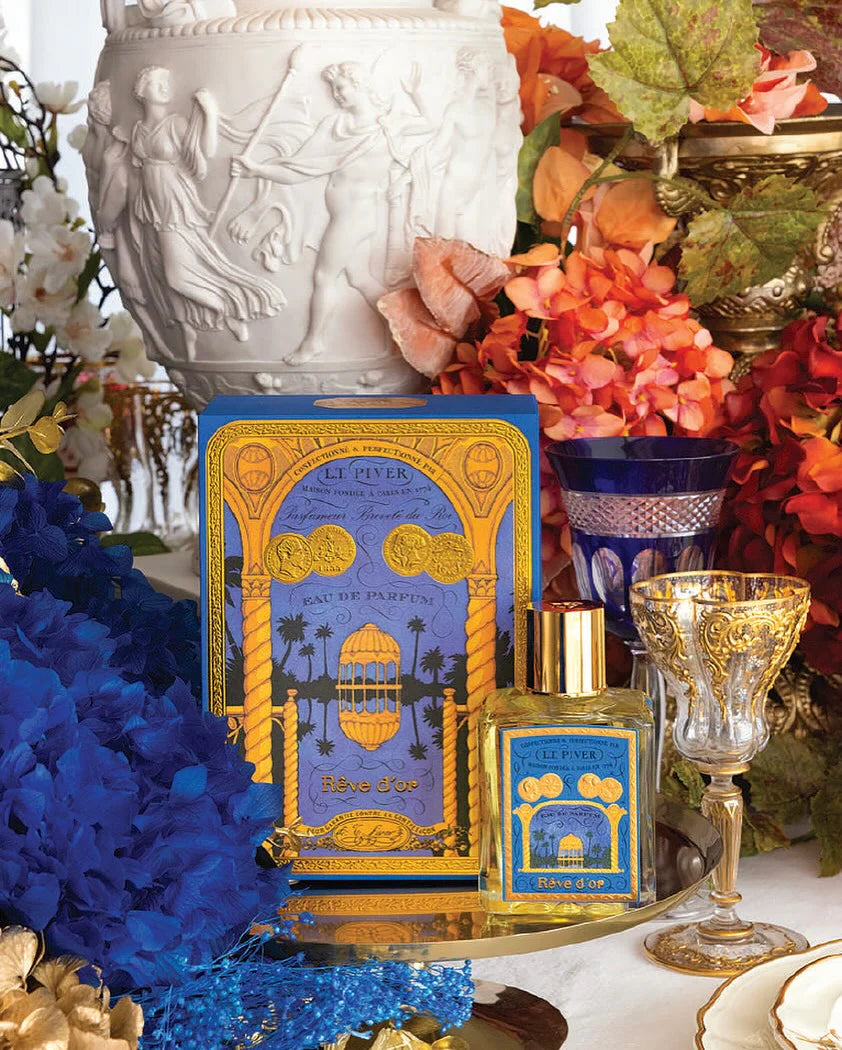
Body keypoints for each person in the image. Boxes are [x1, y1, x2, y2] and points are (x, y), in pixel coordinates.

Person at [231, 62, 434, 365]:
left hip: (355, 217)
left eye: (341, 88)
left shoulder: (388, 126)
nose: (336, 95)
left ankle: (313, 342)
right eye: (333, 89)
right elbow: (299, 167)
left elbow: (429, 125)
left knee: (324, 276)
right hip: (344, 216)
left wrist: (417, 95)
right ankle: (410, 332)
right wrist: (257, 170)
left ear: (361, 86)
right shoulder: (334, 125)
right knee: (361, 279)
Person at [131, 66, 284, 360]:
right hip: (150, 207)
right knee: (160, 273)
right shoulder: (138, 129)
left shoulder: (175, 123)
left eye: (166, 81)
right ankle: (201, 323)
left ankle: (228, 309)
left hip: (174, 206)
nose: (164, 86)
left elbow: (205, 151)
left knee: (176, 276)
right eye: (156, 82)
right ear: (141, 89)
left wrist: (210, 113)